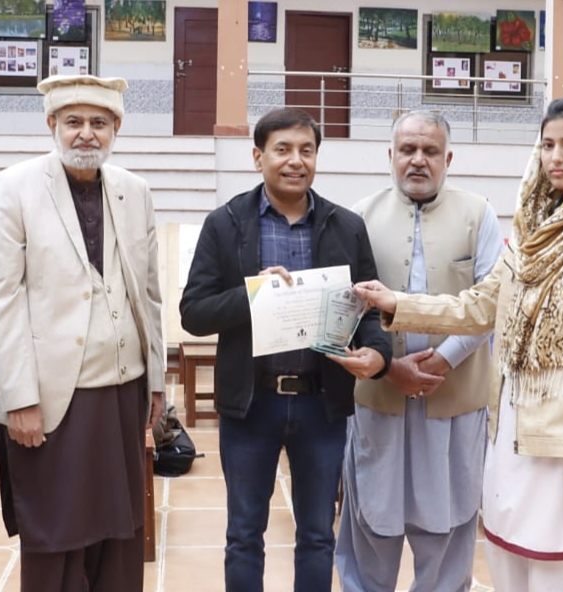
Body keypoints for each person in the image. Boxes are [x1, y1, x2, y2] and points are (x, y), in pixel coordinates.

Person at [356, 95, 563, 591]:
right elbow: (480, 305)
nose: (556, 157)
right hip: (511, 428)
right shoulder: (533, 226)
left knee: (553, 571)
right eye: (547, 144)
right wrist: (397, 302)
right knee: (505, 561)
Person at [179, 107, 393, 592]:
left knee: (318, 534)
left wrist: (378, 357)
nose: (296, 161)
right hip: (251, 404)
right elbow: (194, 310)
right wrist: (253, 295)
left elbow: (370, 312)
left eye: (307, 150)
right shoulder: (226, 223)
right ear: (258, 157)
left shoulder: (346, 226)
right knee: (243, 535)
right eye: (282, 150)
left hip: (322, 405)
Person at [0, 74, 165, 592]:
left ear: (116, 129)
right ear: (52, 125)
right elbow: (3, 298)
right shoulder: (13, 187)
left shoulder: (135, 192)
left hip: (121, 392)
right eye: (74, 122)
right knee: (56, 537)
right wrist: (19, 397)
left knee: (121, 536)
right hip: (50, 398)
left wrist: (155, 385)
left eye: (99, 123)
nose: (87, 134)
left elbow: (148, 294)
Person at [335, 110, 503, 592]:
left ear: (448, 158)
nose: (418, 160)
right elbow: (345, 309)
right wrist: (390, 370)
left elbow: (493, 300)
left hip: (453, 401)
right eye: (407, 150)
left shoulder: (479, 214)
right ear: (390, 156)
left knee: (448, 523)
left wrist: (443, 359)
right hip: (379, 399)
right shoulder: (359, 217)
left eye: (430, 151)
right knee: (372, 521)